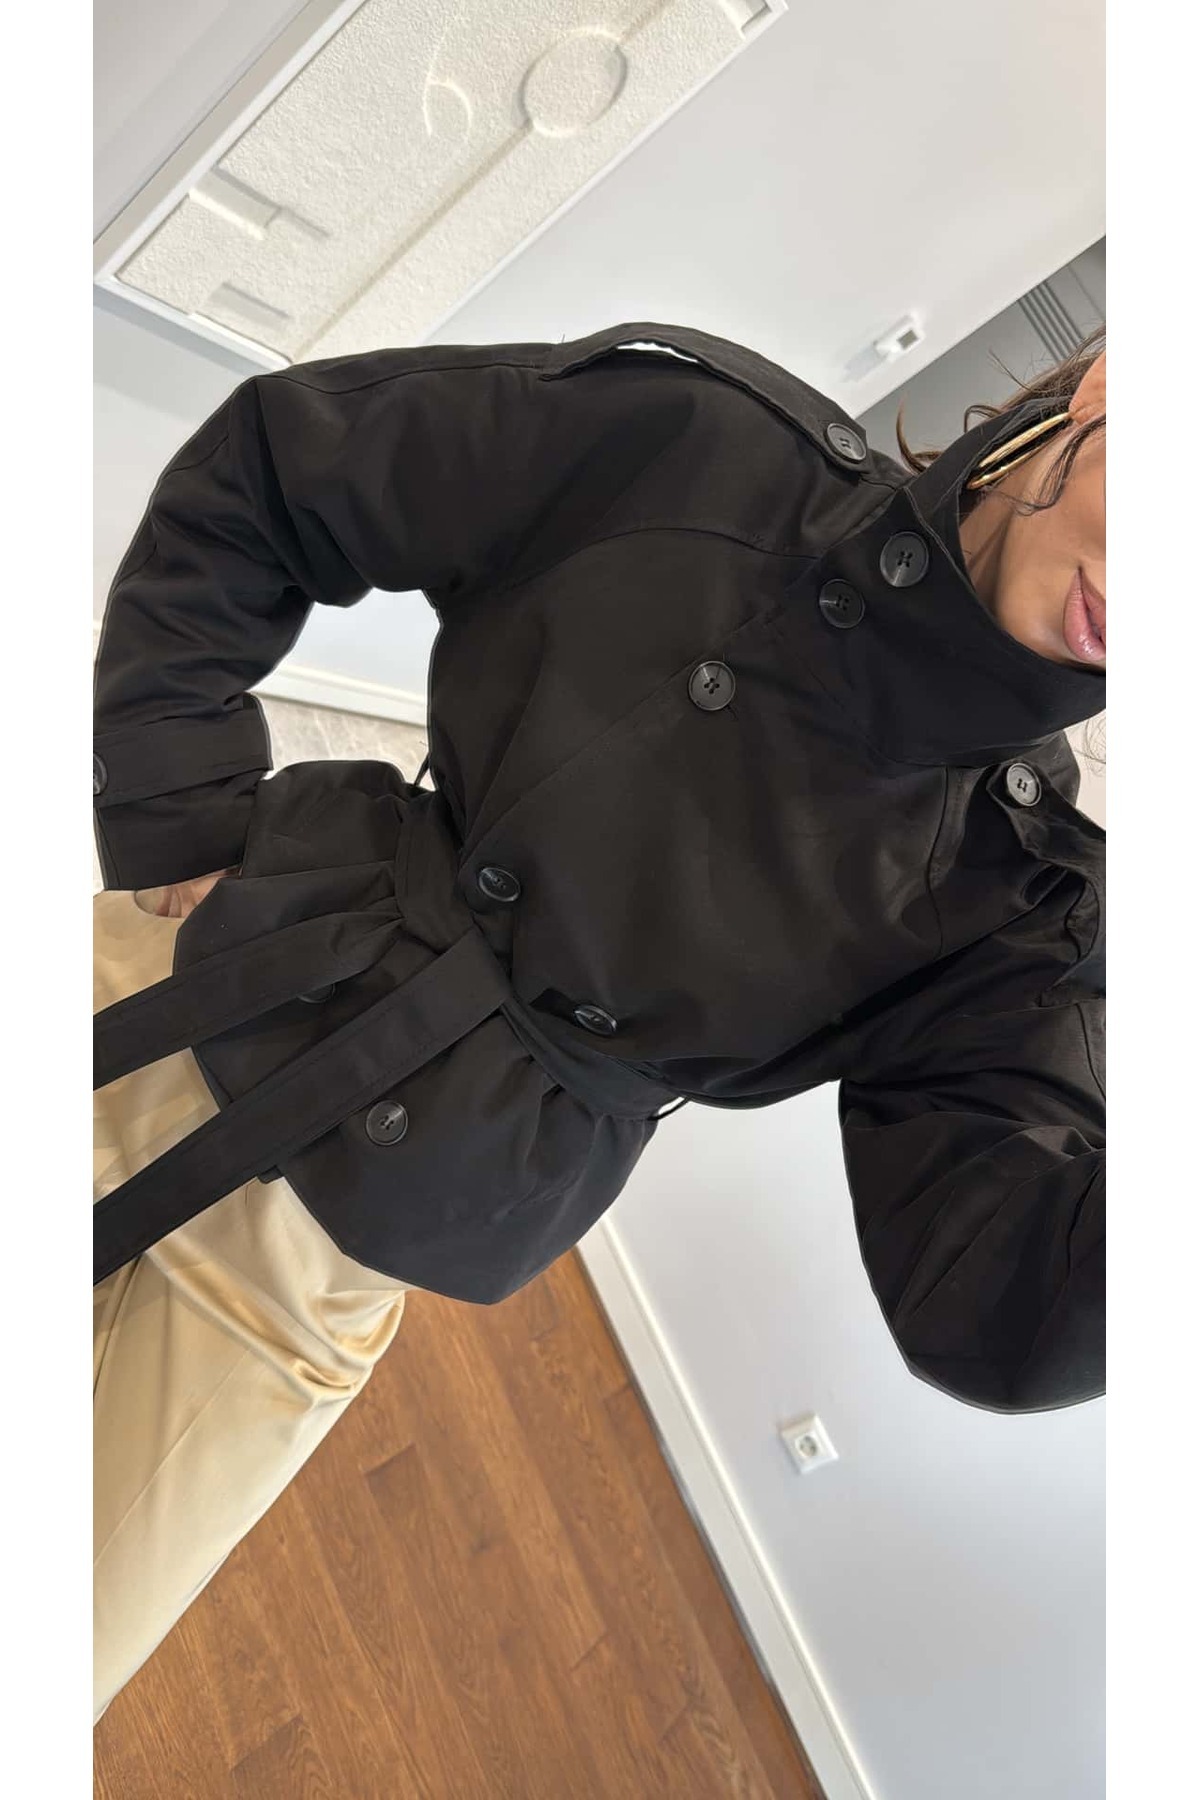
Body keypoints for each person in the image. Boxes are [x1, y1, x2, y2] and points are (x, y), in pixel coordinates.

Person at [93, 319, 1105, 1720]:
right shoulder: (709, 451)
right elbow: (284, 465)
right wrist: (172, 803)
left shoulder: (1023, 904)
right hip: (178, 988)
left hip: (329, 1264)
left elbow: (1000, 1310)